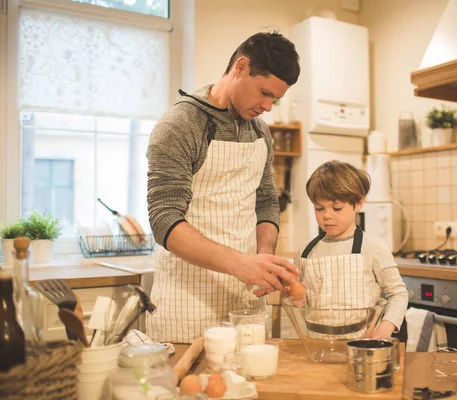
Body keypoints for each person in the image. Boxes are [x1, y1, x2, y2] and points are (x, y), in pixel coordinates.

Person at [146, 31, 301, 343]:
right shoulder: (181, 124)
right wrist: (240, 263)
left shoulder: (260, 132)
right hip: (187, 305)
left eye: (275, 98)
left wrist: (265, 258)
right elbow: (164, 220)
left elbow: (266, 200)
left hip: (246, 302)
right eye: (265, 93)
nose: (268, 107)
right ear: (241, 67)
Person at [287, 160, 408, 340]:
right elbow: (296, 295)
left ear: (358, 203)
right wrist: (296, 299)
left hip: (360, 346)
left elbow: (398, 293)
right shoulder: (305, 251)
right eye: (319, 208)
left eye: (336, 208)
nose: (326, 215)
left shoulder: (373, 248)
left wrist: (384, 329)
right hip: (315, 346)